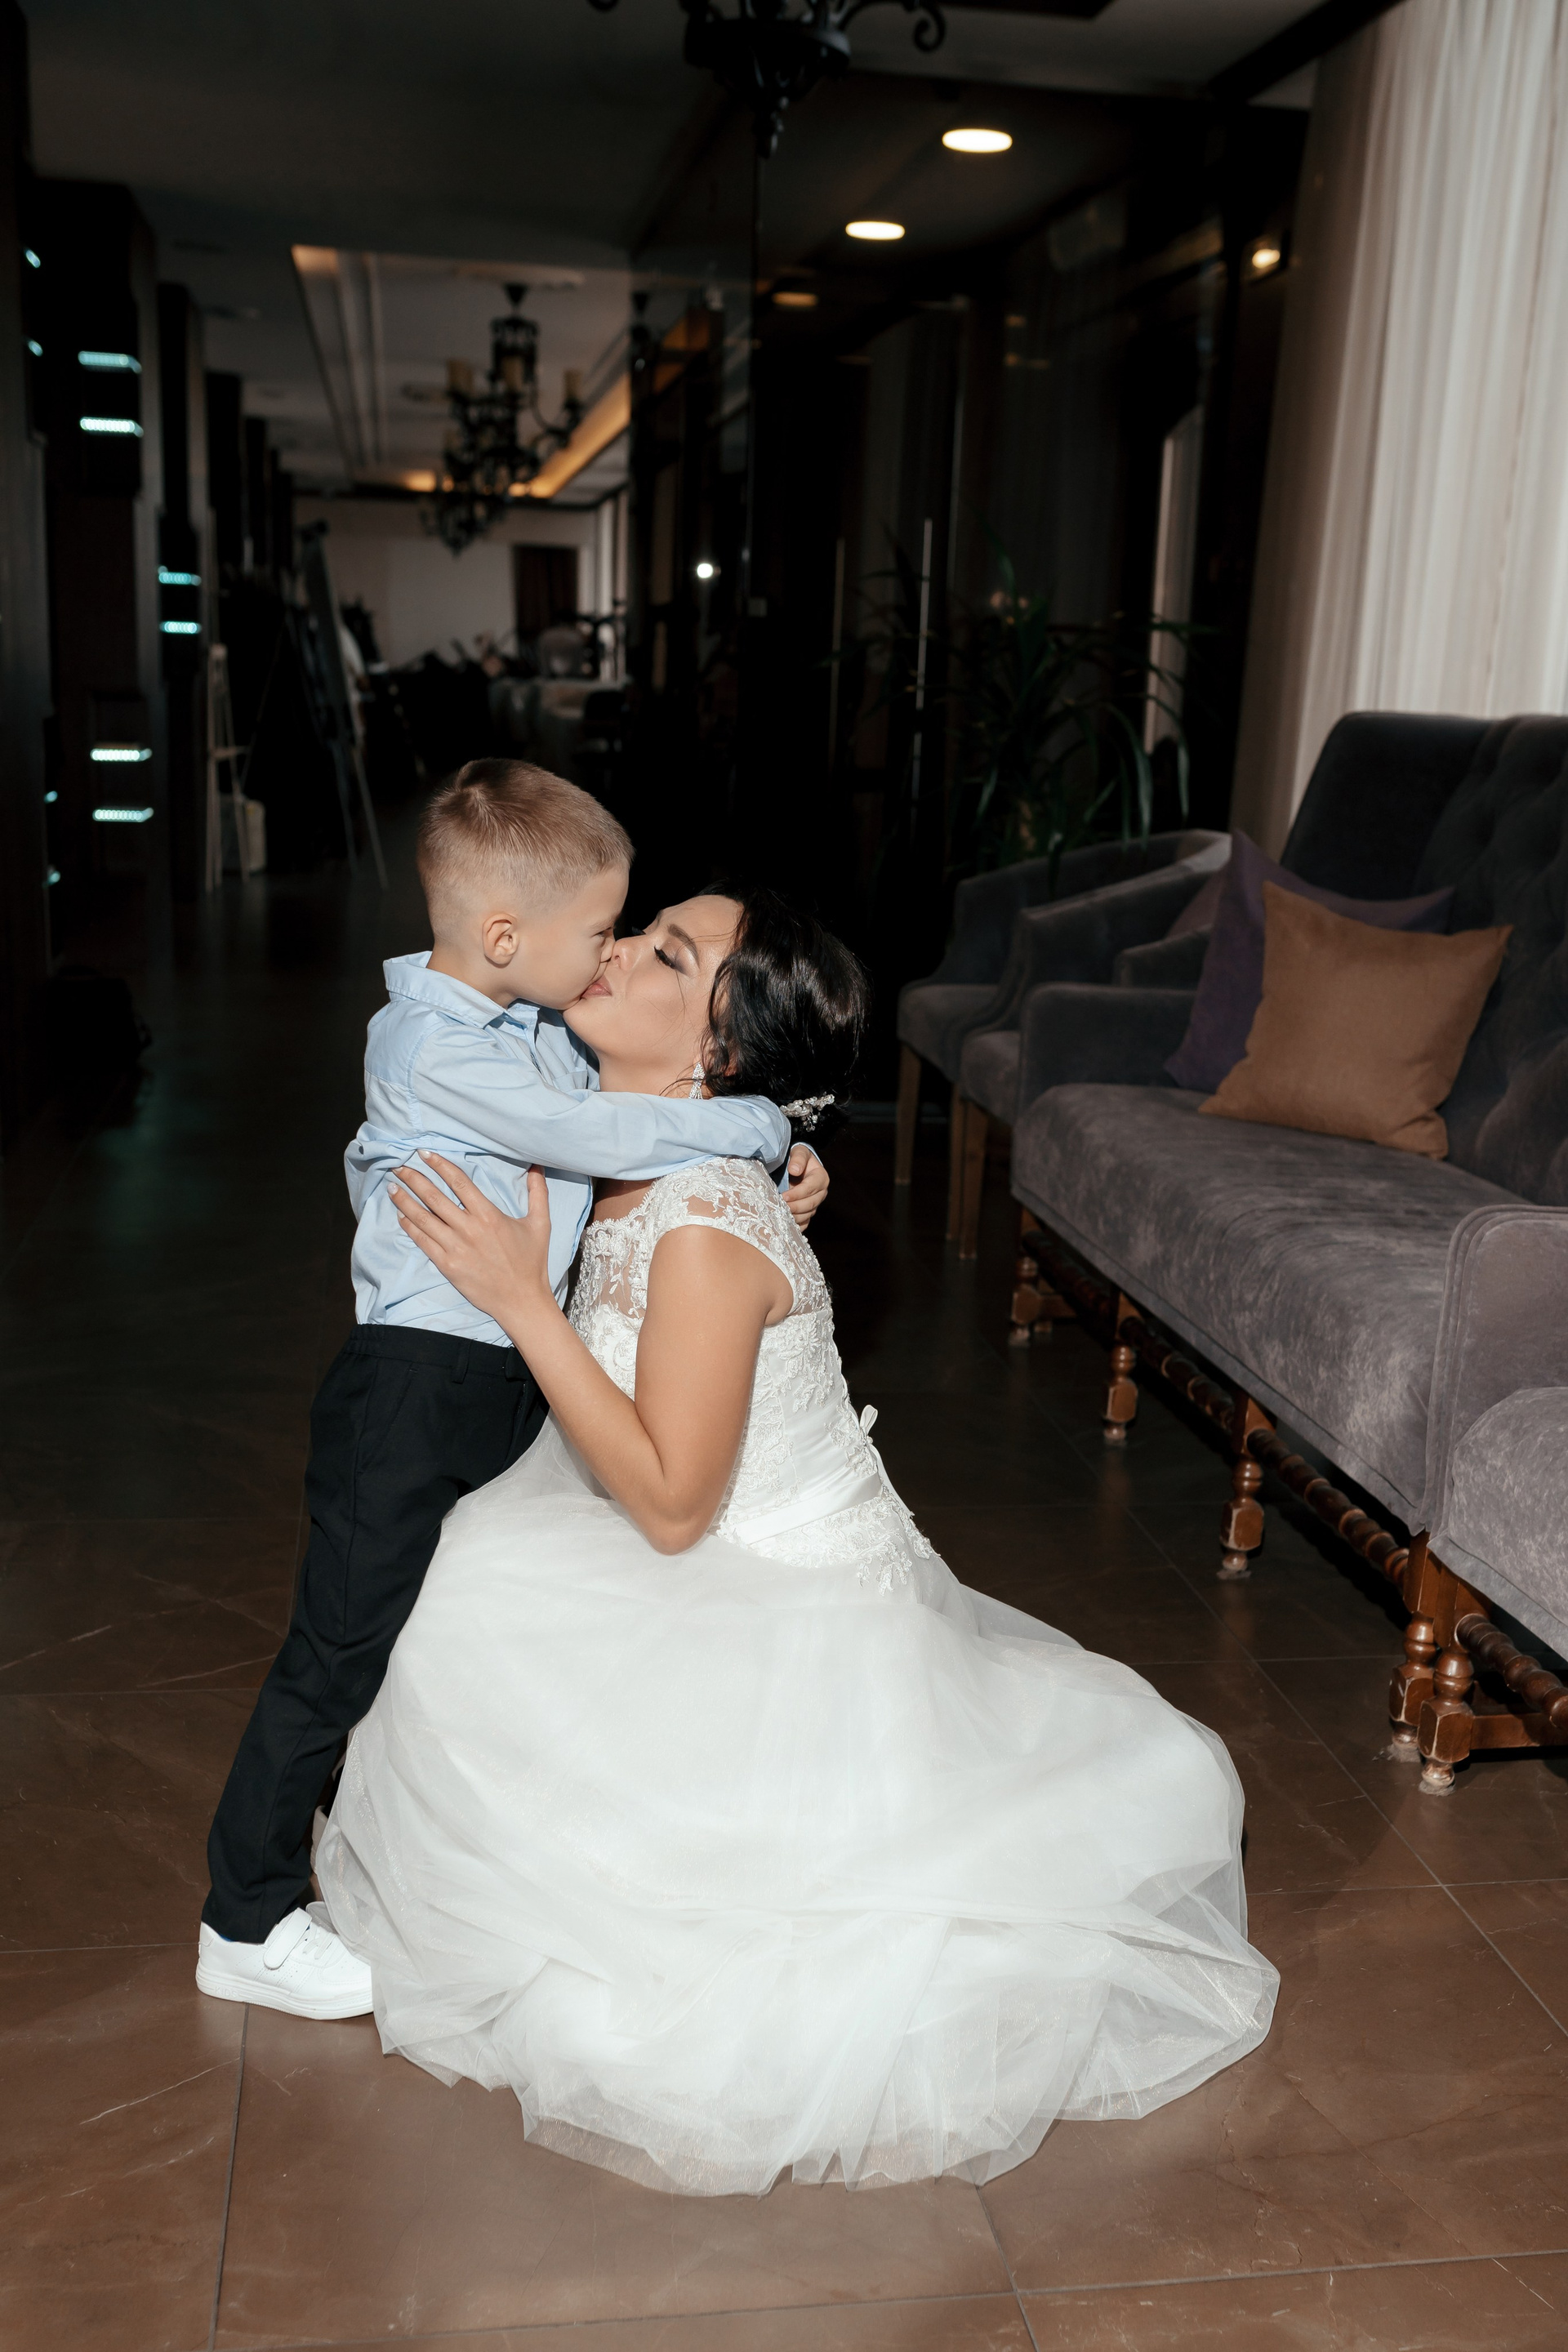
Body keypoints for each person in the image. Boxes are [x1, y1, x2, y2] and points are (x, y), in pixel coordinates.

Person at [315, 884, 1279, 2197]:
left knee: (689, 1986)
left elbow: (672, 1507)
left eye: (667, 954)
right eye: (644, 927)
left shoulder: (705, 1225)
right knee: (474, 1603)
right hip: (688, 1562)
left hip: (791, 1614)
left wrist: (520, 1301)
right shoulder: (617, 1131)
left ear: (715, 1050)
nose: (616, 950)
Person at [196, 765, 827, 2020]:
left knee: (443, 1633)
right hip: (415, 1385)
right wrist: (753, 1129)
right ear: (503, 938)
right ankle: (245, 1918)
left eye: (636, 937)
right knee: (339, 1649)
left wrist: (787, 1156)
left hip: (496, 1381)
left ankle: (405, 1847)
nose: (609, 955)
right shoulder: (431, 1044)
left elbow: (638, 1108)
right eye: (602, 931)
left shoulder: (523, 1022)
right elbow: (594, 1139)